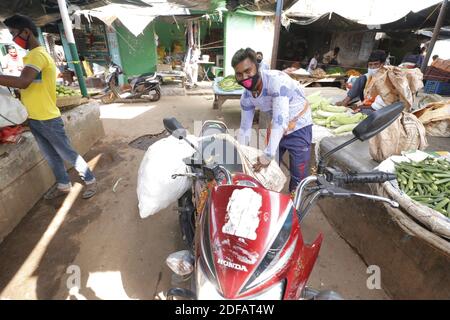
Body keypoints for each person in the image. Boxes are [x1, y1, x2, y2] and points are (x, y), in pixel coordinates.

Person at [0, 14, 97, 199]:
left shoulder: (38, 55)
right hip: (35, 117)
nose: (13, 39)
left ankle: (90, 180)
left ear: (26, 32)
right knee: (51, 156)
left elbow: (24, 82)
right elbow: (30, 86)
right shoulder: (31, 56)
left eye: (14, 33)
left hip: (47, 118)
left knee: (68, 154)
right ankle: (63, 185)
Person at [232, 48, 312, 193]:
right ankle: (274, 204)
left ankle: (295, 211)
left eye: (248, 71)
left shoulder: (276, 82)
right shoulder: (247, 97)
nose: (244, 77)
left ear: (257, 67)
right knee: (269, 170)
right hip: (277, 127)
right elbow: (244, 129)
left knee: (298, 176)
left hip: (299, 126)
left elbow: (280, 121)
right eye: (239, 74)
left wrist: (267, 155)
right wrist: (240, 155)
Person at [336, 50, 387, 114]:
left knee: (362, 112)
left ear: (383, 64)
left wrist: (362, 107)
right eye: (370, 65)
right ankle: (345, 102)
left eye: (376, 64)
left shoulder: (387, 79)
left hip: (380, 108)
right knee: (361, 78)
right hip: (367, 103)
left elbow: (381, 105)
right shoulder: (369, 76)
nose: (373, 67)